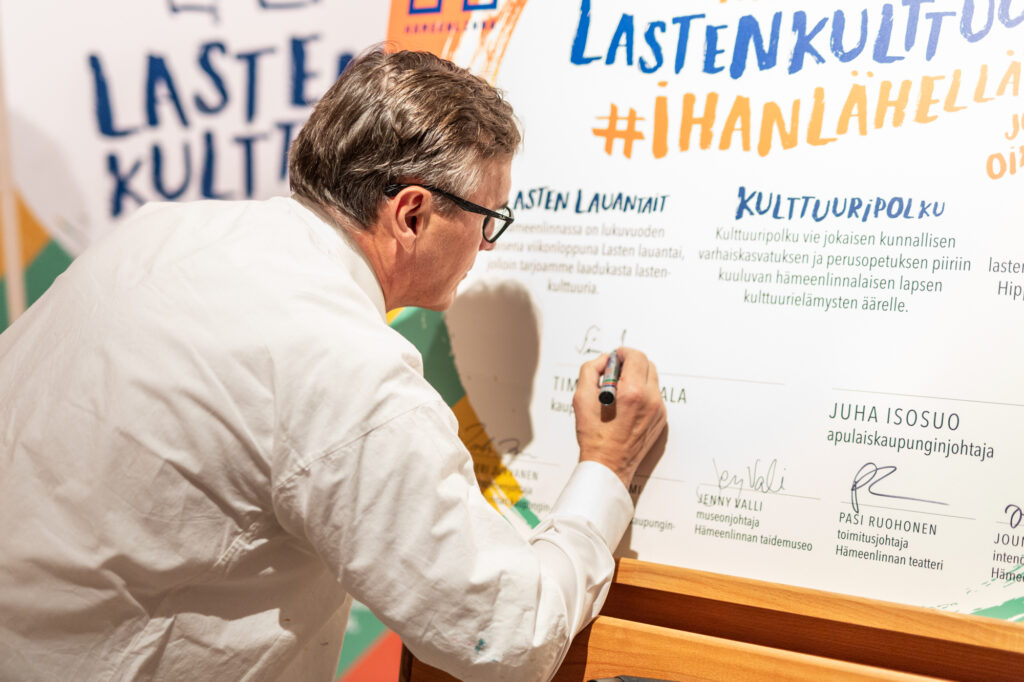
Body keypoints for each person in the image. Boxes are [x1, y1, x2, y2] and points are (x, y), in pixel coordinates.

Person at [0, 48, 667, 680]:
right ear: (412, 214)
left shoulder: (158, 234)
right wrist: (607, 468)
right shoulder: (346, 364)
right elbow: (504, 636)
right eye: (488, 219)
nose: (487, 246)